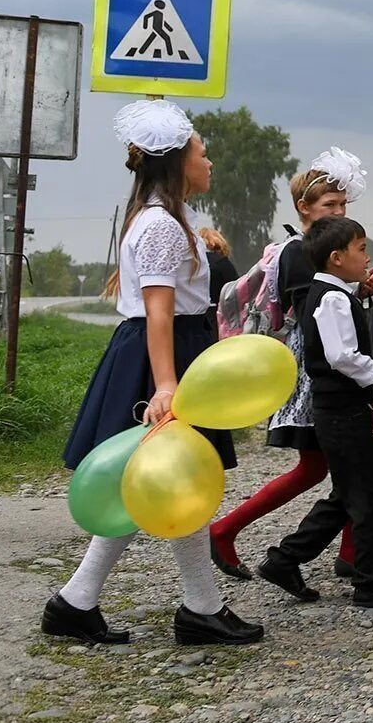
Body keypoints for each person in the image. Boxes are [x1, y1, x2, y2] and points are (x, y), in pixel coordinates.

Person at [44, 102, 263, 646]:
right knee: (169, 476)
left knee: (160, 480)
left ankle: (85, 602)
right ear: (176, 163)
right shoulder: (163, 224)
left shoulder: (166, 218)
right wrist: (166, 385)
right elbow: (159, 311)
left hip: (165, 349)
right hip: (161, 354)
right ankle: (194, 608)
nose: (208, 161)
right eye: (202, 152)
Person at [209, 151, 373, 584]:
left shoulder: (331, 251)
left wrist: (357, 286)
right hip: (314, 380)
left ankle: (356, 554)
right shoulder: (300, 251)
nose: (338, 211)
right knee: (331, 468)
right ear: (304, 208)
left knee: (353, 467)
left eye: (342, 204)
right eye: (329, 205)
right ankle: (226, 530)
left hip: (326, 376)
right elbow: (309, 309)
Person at [258, 214, 373, 608]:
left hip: (338, 410)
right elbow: (340, 355)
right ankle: (370, 583)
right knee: (365, 497)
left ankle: (284, 559)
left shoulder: (331, 293)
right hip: (344, 411)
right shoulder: (332, 298)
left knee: (347, 495)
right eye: (361, 249)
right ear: (336, 257)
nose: (366, 257)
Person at [197, 227, 239, 307]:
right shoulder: (222, 262)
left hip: (195, 312)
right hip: (217, 310)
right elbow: (236, 289)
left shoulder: (193, 263)